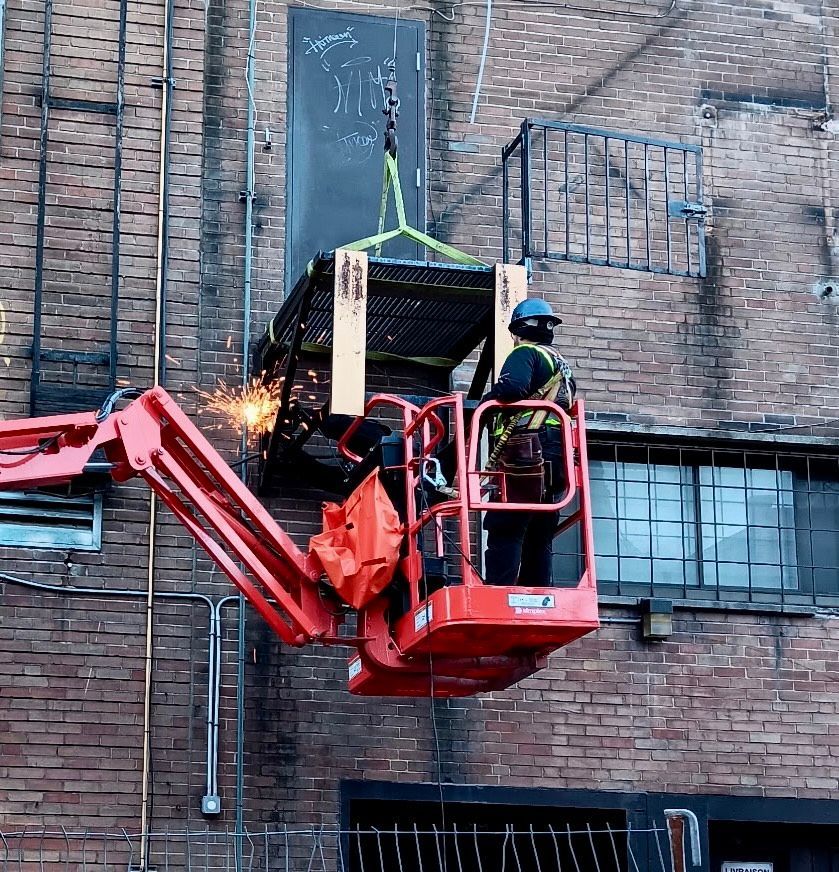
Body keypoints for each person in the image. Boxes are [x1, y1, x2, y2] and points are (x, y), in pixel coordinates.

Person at [482, 297, 577, 586]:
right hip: (555, 455)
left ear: (517, 330)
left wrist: (486, 402)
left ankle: (498, 594)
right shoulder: (560, 364)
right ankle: (536, 594)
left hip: (526, 454)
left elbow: (512, 388)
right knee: (539, 528)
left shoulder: (525, 352)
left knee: (506, 525)